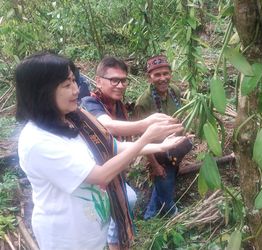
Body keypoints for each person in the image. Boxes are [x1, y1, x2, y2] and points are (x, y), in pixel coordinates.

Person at [16, 52, 185, 249]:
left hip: (91, 232)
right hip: (66, 238)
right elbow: (101, 175)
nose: (76, 90)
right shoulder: (39, 141)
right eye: (66, 85)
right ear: (41, 92)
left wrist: (161, 145)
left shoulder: (72, 119)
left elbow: (111, 146)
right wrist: (145, 133)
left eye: (74, 81)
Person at [81, 56, 176, 249]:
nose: (120, 85)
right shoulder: (90, 104)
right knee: (108, 212)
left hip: (116, 167)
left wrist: (160, 144)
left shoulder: (118, 105)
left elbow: (117, 145)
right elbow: (107, 127)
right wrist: (146, 126)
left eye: (123, 80)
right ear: (98, 81)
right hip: (97, 172)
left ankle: (117, 242)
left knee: (124, 206)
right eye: (113, 80)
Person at [135, 55, 192, 220]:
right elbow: (142, 139)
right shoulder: (143, 103)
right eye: (157, 75)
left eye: (166, 74)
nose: (163, 78)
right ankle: (172, 216)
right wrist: (154, 165)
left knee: (165, 183)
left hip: (174, 149)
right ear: (149, 77)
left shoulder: (174, 91)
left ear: (171, 74)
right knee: (165, 186)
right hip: (159, 154)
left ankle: (150, 216)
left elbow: (180, 115)